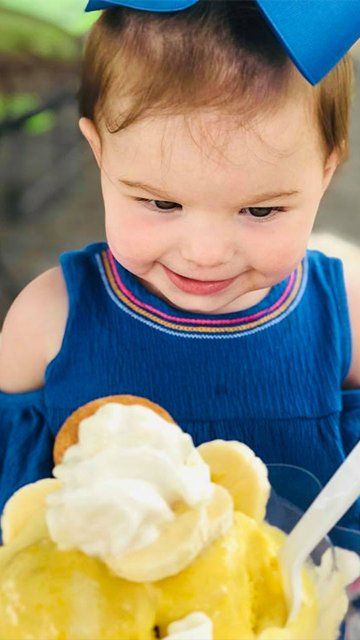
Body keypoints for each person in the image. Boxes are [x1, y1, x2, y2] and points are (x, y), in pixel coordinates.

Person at [0, 1, 359, 551]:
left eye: (260, 211)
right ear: (99, 153)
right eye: (160, 203)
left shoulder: (347, 319)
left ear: (325, 172)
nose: (206, 254)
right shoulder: (48, 322)